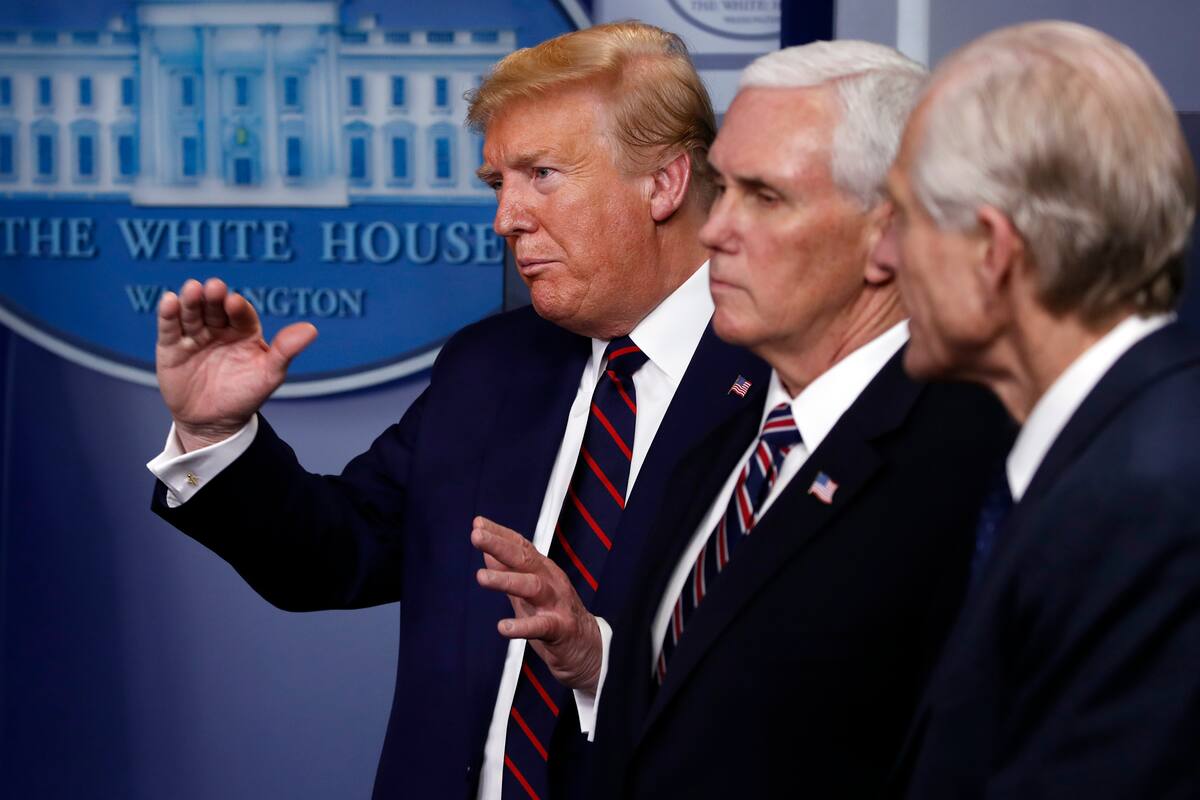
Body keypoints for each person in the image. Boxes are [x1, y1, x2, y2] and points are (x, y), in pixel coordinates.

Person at [145, 21, 769, 800]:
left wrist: (601, 661)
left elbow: (816, 688)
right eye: (496, 184)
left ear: (665, 184)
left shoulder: (785, 379)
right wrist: (213, 433)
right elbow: (338, 553)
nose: (507, 218)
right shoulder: (490, 367)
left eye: (542, 174)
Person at [471, 41, 1011, 799]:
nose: (716, 228)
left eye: (763, 196)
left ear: (888, 233)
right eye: (724, 191)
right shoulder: (735, 438)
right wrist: (599, 665)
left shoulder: (981, 460)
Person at [881, 21, 1200, 798]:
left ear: (993, 251)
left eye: (902, 218)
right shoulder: (1115, 455)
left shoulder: (1150, 504)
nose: (882, 257)